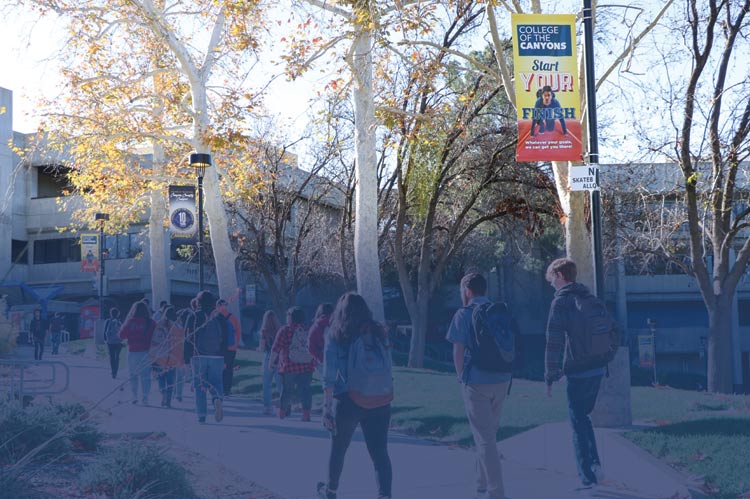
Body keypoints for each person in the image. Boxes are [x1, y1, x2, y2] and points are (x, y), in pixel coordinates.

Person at [317, 292, 393, 499]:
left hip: (347, 399)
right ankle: (384, 495)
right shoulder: (378, 332)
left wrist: (326, 407)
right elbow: (388, 365)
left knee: (339, 449)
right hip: (380, 400)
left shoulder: (335, 334)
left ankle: (330, 491)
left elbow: (329, 374)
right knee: (380, 454)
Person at [446, 273, 511, 499]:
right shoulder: (498, 311)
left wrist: (461, 376)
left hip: (476, 381)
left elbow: (458, 351)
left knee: (485, 438)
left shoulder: (463, 314)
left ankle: (496, 492)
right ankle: (480, 482)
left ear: (467, 290)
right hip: (503, 379)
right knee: (488, 432)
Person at [545, 257, 606, 488]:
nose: (551, 284)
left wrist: (551, 375)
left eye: (551, 279)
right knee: (584, 418)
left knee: (577, 421)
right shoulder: (590, 298)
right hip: (598, 368)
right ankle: (595, 465)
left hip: (578, 371)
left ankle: (588, 478)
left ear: (560, 276)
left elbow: (554, 341)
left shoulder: (561, 302)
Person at [184, 290, 230, 423]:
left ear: (198, 302)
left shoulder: (193, 316)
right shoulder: (220, 318)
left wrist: (186, 358)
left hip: (198, 356)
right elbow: (226, 339)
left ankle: (201, 415)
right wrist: (225, 358)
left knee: (199, 385)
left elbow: (187, 339)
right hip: (217, 356)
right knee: (216, 382)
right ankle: (216, 399)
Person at [270, 306, 315, 421]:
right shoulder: (308, 329)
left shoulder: (285, 330)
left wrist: (271, 363)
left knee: (287, 390)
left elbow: (276, 348)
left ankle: (282, 413)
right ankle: (306, 414)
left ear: (290, 317)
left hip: (289, 365)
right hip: (306, 365)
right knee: (305, 390)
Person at [119, 300, 156, 404]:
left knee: (133, 375)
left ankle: (134, 396)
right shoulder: (151, 322)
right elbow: (157, 336)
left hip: (132, 352)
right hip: (146, 352)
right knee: (145, 376)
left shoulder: (130, 322)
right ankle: (145, 397)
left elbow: (121, 335)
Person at [149, 306, 184, 408]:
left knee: (161, 378)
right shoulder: (178, 326)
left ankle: (163, 392)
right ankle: (168, 400)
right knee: (170, 380)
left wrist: (153, 358)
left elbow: (154, 342)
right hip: (173, 357)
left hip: (161, 357)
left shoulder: (159, 325)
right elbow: (181, 343)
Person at [258, 309, 282, 415]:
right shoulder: (280, 330)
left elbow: (262, 348)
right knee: (280, 384)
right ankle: (283, 406)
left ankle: (267, 407)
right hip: (279, 358)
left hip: (268, 357)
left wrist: (258, 348)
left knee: (267, 384)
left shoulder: (264, 331)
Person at [216, 298, 241, 395]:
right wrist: (235, 344)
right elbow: (238, 332)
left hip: (220, 348)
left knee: (220, 368)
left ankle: (221, 388)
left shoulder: (215, 317)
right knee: (229, 369)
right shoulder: (233, 318)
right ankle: (227, 389)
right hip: (231, 348)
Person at [308, 303, 333, 377]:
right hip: (336, 358)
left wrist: (320, 358)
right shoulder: (337, 324)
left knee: (327, 384)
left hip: (321, 360)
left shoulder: (315, 327)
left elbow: (310, 347)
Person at [103, 308, 124, 378]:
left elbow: (105, 331)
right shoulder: (119, 321)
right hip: (118, 342)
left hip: (110, 342)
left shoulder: (108, 321)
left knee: (112, 357)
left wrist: (106, 340)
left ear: (110, 313)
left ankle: (113, 372)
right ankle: (116, 371)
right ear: (118, 313)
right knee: (117, 357)